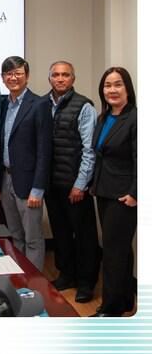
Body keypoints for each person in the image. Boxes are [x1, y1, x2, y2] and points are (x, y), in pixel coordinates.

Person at [45, 61, 100, 303]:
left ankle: (86, 283)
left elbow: (89, 149)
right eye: (56, 75)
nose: (60, 79)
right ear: (49, 78)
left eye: (65, 75)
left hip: (75, 186)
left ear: (73, 79)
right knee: (61, 234)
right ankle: (66, 275)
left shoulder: (84, 106)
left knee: (85, 236)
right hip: (52, 184)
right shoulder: (43, 104)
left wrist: (80, 184)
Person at [0, 57, 52, 271]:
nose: (13, 77)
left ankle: (34, 282)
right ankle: (19, 277)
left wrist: (38, 188)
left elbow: (45, 150)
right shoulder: (2, 105)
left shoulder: (40, 104)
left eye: (18, 73)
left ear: (27, 76)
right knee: (15, 235)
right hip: (6, 179)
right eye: (8, 74)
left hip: (29, 183)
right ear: (3, 78)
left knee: (32, 238)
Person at [90, 67, 137, 317]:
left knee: (113, 253)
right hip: (104, 191)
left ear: (127, 88)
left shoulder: (136, 118)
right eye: (107, 85)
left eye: (118, 84)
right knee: (121, 250)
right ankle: (126, 300)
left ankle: (110, 309)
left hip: (124, 195)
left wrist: (136, 193)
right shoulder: (104, 117)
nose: (112, 90)